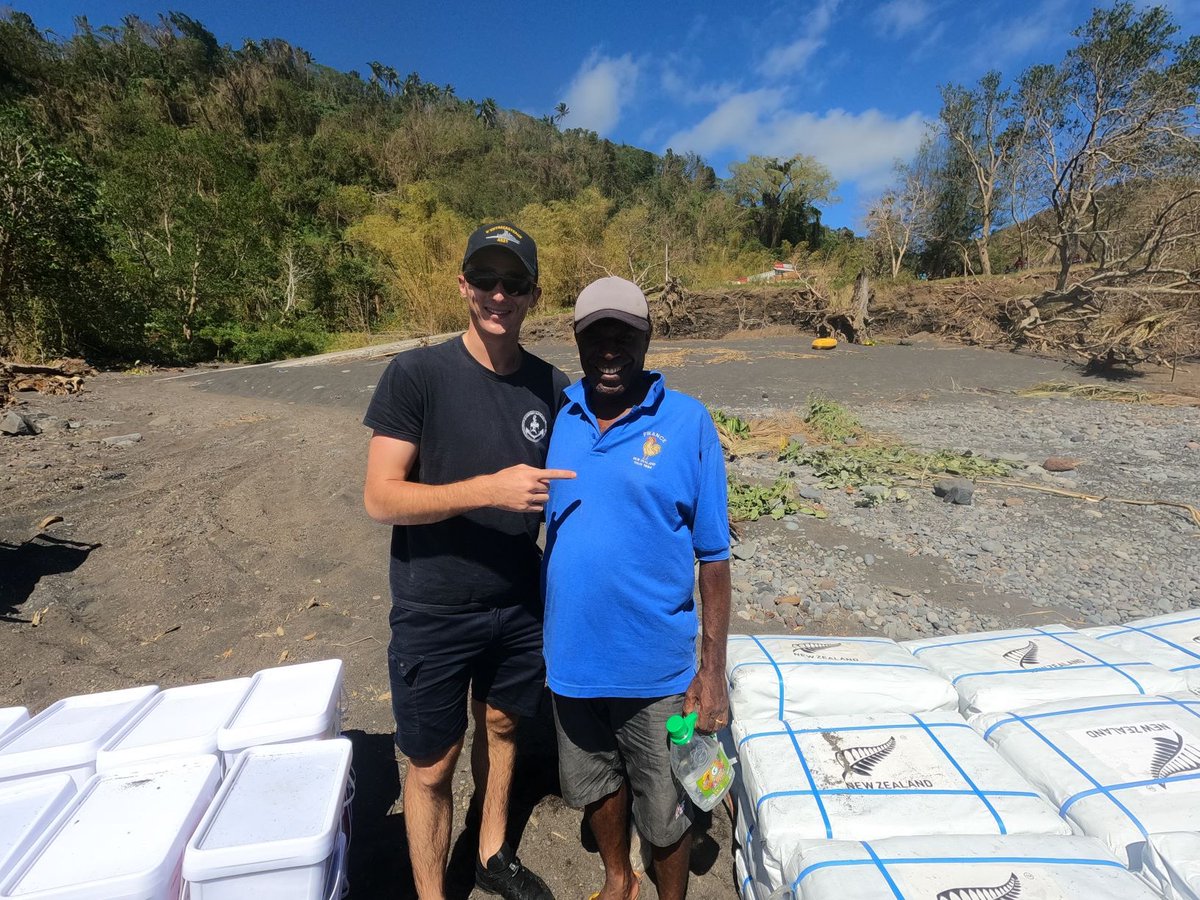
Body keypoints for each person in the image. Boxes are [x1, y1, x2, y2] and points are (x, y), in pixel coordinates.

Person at [363, 222, 571, 900]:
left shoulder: (551, 385)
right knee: (431, 763)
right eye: (485, 279)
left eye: (514, 284)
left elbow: (579, 479)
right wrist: (487, 489)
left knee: (507, 725)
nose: (498, 295)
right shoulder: (417, 374)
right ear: (463, 285)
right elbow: (380, 497)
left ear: (533, 296)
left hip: (520, 599)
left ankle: (489, 852)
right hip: (435, 604)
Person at [541, 276, 732, 900]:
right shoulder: (559, 417)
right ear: (578, 340)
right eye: (596, 336)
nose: (610, 349)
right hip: (573, 663)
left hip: (659, 670)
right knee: (595, 785)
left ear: (647, 339)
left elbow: (713, 559)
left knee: (669, 805)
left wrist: (711, 673)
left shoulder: (686, 422)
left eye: (624, 335)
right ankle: (618, 880)